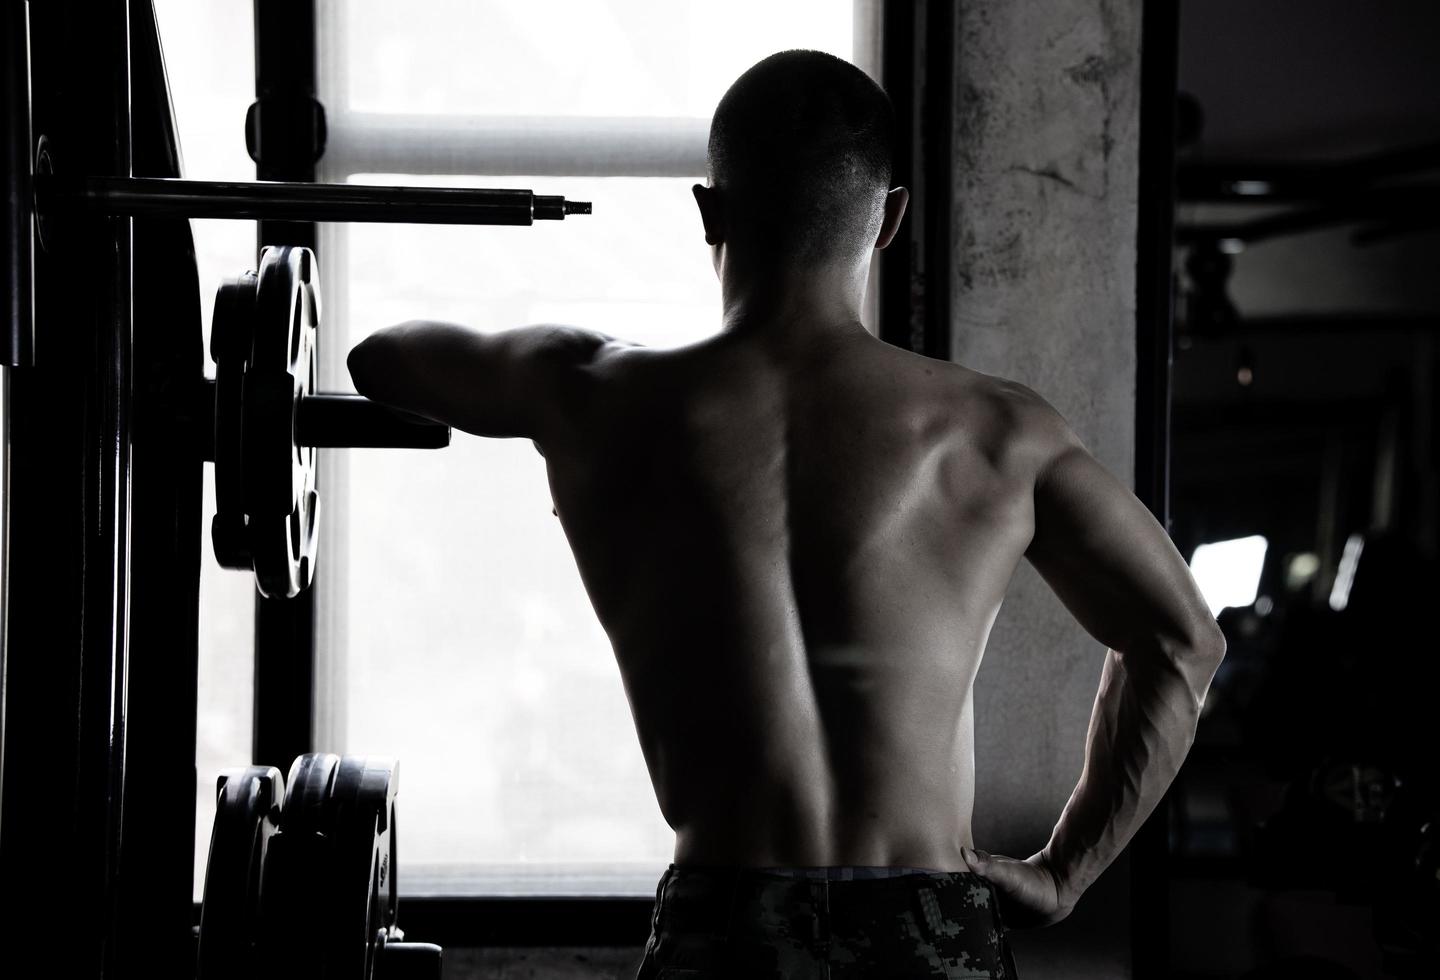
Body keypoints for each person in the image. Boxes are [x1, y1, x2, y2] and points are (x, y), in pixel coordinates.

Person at [348, 49, 1226, 980]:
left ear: (708, 212)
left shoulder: (598, 396)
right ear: (890, 220)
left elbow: (383, 359)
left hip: (726, 923)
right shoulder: (1000, 432)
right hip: (926, 922)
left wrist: (567, 350)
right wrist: (1064, 874)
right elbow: (1182, 642)